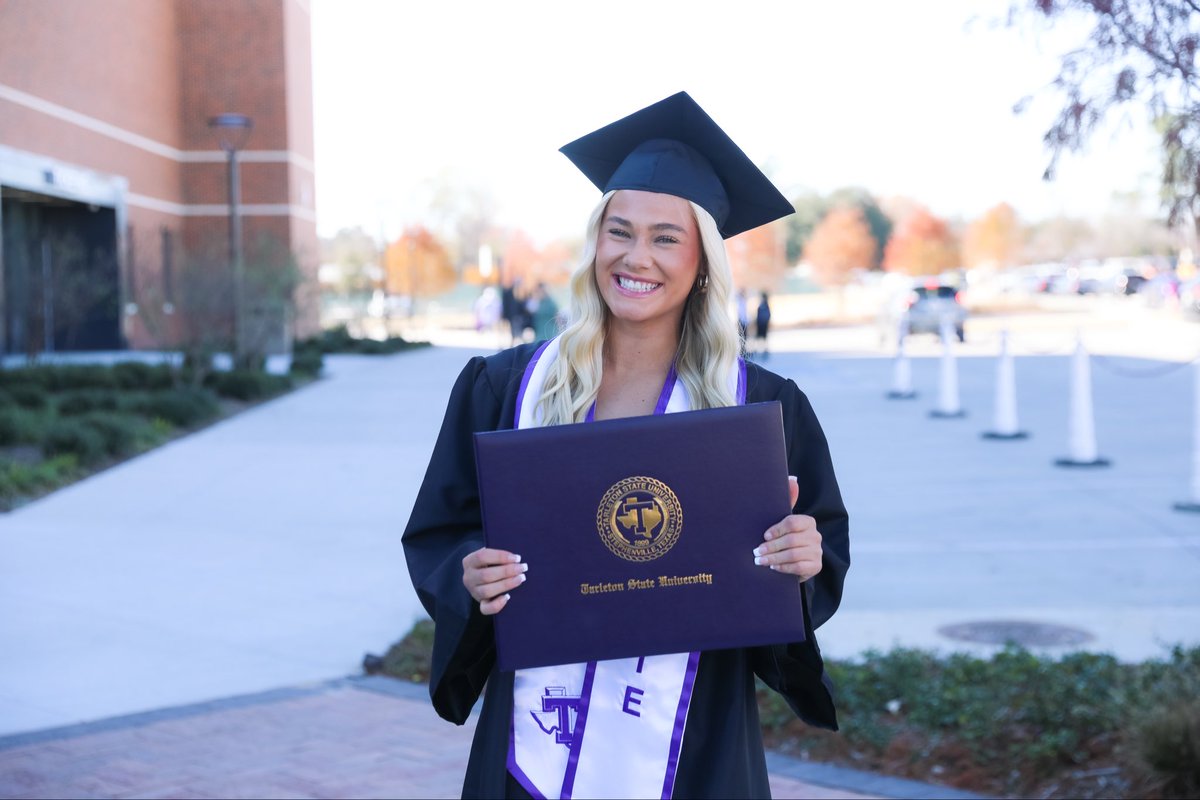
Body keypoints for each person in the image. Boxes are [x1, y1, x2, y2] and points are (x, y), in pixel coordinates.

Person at [403, 91, 849, 799]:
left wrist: (801, 560)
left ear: (703, 261)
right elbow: (441, 532)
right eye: (619, 231)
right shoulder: (507, 388)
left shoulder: (761, 407)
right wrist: (468, 572)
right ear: (595, 243)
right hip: (535, 742)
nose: (636, 256)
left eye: (666, 238)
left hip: (691, 739)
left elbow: (814, 559)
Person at [754, 290, 772, 360]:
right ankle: (758, 350)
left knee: (763, 338)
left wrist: (765, 321)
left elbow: (768, 315)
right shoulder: (762, 305)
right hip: (760, 324)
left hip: (763, 324)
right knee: (759, 337)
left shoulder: (765, 305)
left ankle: (764, 351)